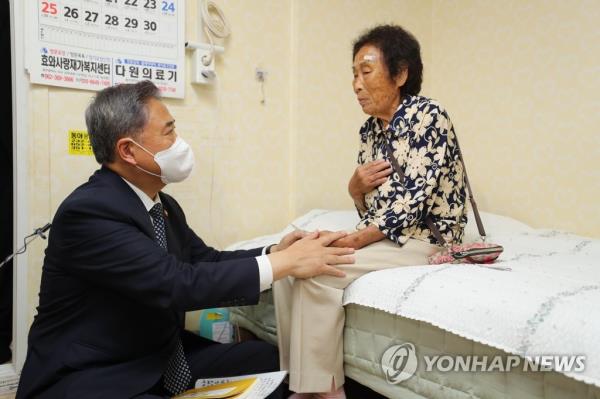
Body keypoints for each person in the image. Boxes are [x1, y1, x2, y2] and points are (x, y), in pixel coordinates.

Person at [16, 81, 355, 399]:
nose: (179, 141)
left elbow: (203, 260)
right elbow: (175, 283)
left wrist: (275, 251)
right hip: (95, 373)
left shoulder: (161, 204)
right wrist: (283, 264)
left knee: (268, 361)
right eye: (169, 131)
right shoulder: (89, 212)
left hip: (158, 358)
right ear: (129, 151)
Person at [274, 25, 468, 399]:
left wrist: (346, 240)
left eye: (366, 72)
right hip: (387, 235)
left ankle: (327, 391)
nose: (356, 84)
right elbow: (374, 207)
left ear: (400, 74)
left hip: (424, 239)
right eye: (354, 74)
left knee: (317, 271)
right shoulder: (369, 130)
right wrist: (355, 191)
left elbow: (409, 205)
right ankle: (296, 381)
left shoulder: (428, 116)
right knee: (288, 262)